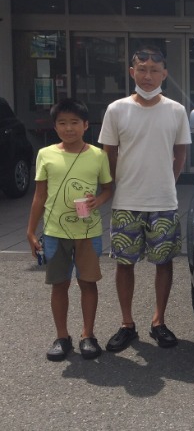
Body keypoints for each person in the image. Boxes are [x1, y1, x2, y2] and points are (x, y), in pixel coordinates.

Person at [99, 45, 191, 352]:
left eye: (154, 70)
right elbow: (108, 154)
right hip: (126, 201)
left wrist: (168, 182)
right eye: (142, 69)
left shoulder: (176, 110)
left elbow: (180, 154)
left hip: (163, 202)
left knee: (164, 263)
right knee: (124, 264)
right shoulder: (117, 109)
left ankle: (158, 321)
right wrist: (116, 185)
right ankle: (127, 324)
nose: (147, 76)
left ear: (165, 74)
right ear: (132, 72)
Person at [27, 98, 113, 361]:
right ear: (55, 127)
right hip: (55, 231)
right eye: (62, 123)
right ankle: (62, 337)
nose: (68, 128)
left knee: (88, 283)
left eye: (74, 122)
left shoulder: (98, 155)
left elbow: (107, 188)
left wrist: (98, 201)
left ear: (86, 125)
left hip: (88, 231)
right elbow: (39, 195)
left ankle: (88, 335)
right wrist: (31, 231)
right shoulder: (46, 154)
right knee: (59, 284)